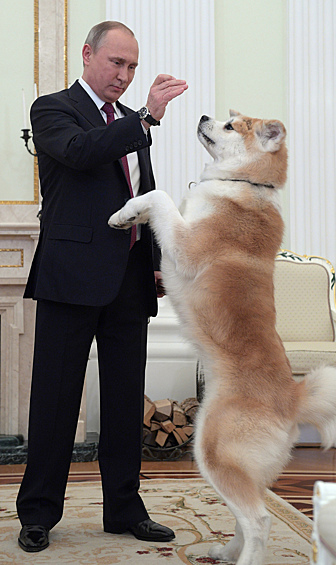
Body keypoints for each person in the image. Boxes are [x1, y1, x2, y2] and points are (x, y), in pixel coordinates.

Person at [16, 20, 188, 553]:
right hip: (71, 279)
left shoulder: (131, 125)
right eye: (117, 63)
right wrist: (145, 118)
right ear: (88, 55)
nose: (125, 74)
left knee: (121, 403)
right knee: (55, 400)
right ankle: (39, 514)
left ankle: (124, 509)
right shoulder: (52, 109)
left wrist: (157, 261)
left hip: (130, 280)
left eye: (132, 66)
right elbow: (83, 151)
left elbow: (146, 194)